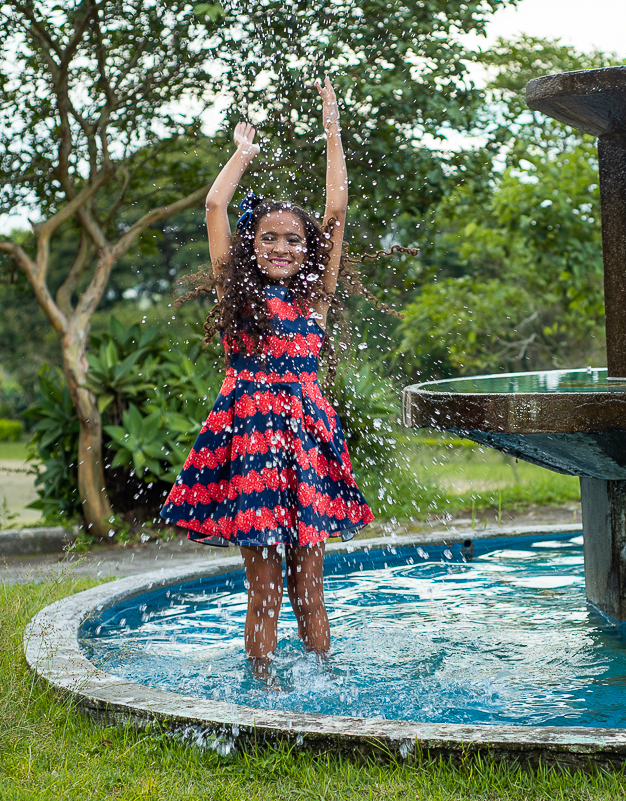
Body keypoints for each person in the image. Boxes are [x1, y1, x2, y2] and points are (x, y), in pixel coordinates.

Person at [161, 77, 397, 678]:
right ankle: (261, 687)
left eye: (293, 239)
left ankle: (324, 686)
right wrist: (242, 155)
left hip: (307, 445)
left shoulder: (316, 298)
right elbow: (215, 207)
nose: (282, 247)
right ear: (253, 244)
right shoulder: (235, 294)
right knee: (262, 581)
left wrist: (334, 135)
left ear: (307, 247)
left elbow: (337, 210)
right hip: (252, 444)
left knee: (309, 583)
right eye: (269, 237)